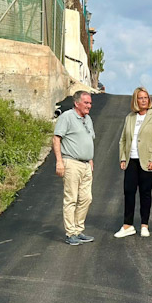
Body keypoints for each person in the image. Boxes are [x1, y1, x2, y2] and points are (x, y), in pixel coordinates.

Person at [114, 87, 152, 238]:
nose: (143, 100)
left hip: (148, 161)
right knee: (129, 191)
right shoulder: (130, 117)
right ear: (135, 100)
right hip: (132, 159)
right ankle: (127, 225)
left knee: (145, 192)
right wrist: (123, 157)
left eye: (146, 97)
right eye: (140, 98)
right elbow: (123, 139)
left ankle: (144, 225)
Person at [53, 90, 95, 246]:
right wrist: (59, 161)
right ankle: (70, 233)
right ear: (77, 103)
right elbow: (56, 139)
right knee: (71, 198)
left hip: (85, 164)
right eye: (86, 103)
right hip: (71, 162)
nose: (89, 106)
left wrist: (90, 159)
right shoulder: (67, 117)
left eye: (90, 103)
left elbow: (88, 139)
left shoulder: (88, 119)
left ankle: (78, 230)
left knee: (86, 198)